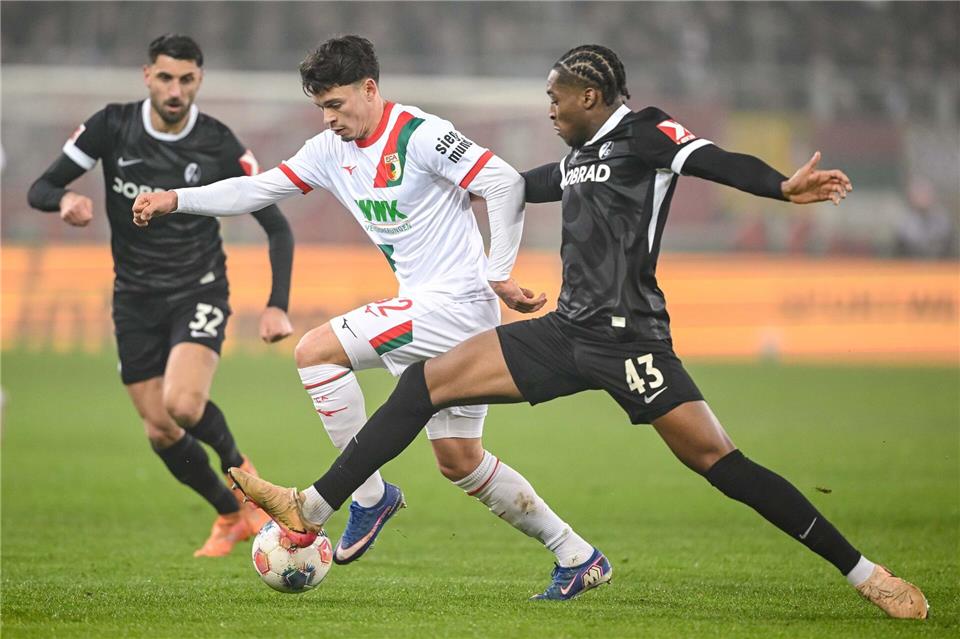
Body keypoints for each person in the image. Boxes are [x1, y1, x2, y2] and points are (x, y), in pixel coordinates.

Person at [225, 44, 928, 618]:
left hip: (632, 343)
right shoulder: (577, 158)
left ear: (590, 96)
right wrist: (439, 181)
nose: (549, 109)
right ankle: (313, 504)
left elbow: (715, 159)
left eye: (555, 98)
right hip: (565, 332)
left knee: (722, 464)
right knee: (423, 386)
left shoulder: (645, 133)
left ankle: (868, 574)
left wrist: (779, 187)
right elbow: (512, 182)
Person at [132, 35, 604, 598]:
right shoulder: (328, 150)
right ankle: (576, 554)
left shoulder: (420, 134)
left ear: (370, 89)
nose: (329, 118)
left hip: (455, 305)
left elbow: (503, 182)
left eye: (336, 104)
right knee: (459, 460)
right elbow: (257, 190)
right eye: (320, 107)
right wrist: (177, 199)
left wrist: (500, 272)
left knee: (316, 352)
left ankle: (369, 496)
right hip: (429, 307)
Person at [27, 34, 294, 558]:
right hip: (133, 297)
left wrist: (277, 304)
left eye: (187, 79)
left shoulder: (217, 143)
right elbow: (42, 187)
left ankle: (250, 483)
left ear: (199, 80)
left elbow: (277, 227)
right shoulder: (112, 126)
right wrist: (64, 201)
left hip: (198, 289)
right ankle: (230, 514)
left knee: (183, 404)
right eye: (166, 77)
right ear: (147, 76)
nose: (176, 90)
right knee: (159, 429)